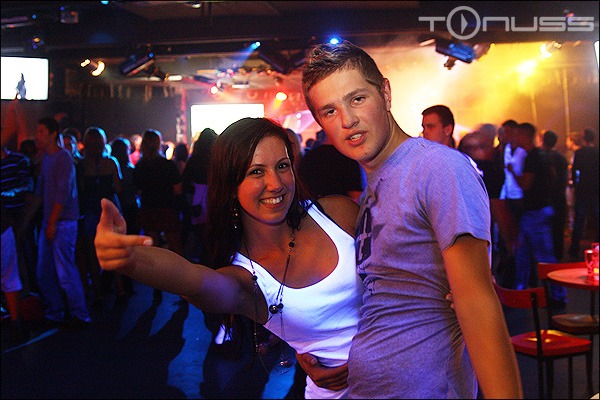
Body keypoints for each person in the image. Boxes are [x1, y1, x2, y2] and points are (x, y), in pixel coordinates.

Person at [298, 40, 522, 399]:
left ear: (385, 94)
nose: (347, 120)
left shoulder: (437, 167)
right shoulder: (374, 188)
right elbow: (387, 301)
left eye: (357, 99)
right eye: (329, 110)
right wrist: (329, 356)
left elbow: (477, 305)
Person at [95, 117, 362, 398]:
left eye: (282, 166)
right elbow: (191, 279)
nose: (275, 183)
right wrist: (129, 259)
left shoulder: (338, 213)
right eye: (256, 172)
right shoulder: (246, 280)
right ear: (231, 185)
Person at [31, 116, 91, 328]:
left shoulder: (63, 158)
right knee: (44, 272)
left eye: (41, 131)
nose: (37, 136)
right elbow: (41, 192)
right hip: (52, 221)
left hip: (62, 223)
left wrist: (51, 222)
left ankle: (79, 313)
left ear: (52, 134)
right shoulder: (47, 158)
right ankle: (57, 310)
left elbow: (62, 193)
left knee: (65, 271)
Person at [507, 123, 566, 304]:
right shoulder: (541, 155)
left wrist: (512, 172)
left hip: (535, 212)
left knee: (544, 256)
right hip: (539, 209)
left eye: (517, 134)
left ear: (525, 135)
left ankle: (558, 294)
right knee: (523, 253)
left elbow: (525, 184)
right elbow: (553, 176)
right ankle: (521, 290)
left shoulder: (532, 157)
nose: (514, 138)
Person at [76, 126, 122, 306]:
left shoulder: (81, 164)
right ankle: (120, 290)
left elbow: (80, 189)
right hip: (109, 210)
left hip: (90, 211)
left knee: (92, 253)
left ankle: (98, 292)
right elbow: (118, 187)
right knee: (115, 251)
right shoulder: (111, 162)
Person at [298, 129, 365, 203]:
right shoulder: (347, 157)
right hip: (342, 207)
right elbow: (355, 195)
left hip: (315, 207)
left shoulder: (308, 157)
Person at [568, 128, 599, 259]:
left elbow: (575, 171)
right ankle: (597, 246)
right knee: (598, 218)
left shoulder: (579, 153)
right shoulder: (597, 152)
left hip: (582, 190)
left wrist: (575, 185)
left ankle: (574, 248)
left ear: (584, 138)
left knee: (579, 220)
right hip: (596, 190)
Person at [541, 130, 569, 261]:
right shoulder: (561, 157)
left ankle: (546, 261)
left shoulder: (541, 157)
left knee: (545, 231)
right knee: (558, 230)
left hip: (545, 199)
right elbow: (564, 179)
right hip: (559, 197)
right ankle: (558, 257)